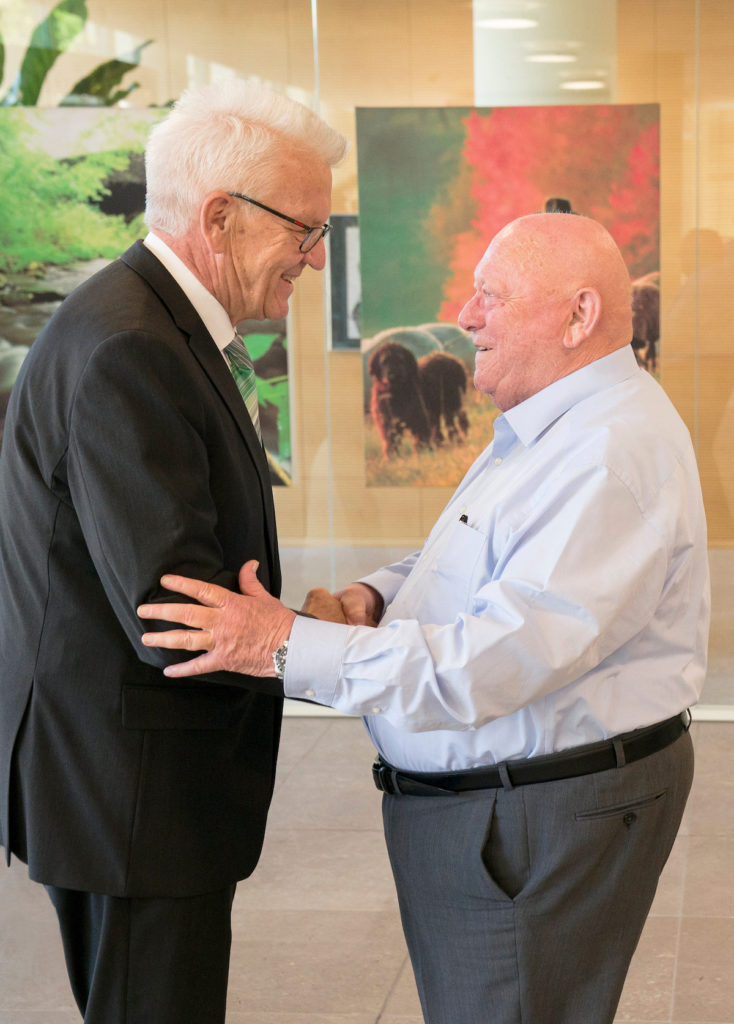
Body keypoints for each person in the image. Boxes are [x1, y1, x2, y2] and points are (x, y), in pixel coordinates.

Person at [138, 213, 710, 1024]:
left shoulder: (608, 452)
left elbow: (485, 666)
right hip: (508, 814)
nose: (467, 317)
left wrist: (280, 644)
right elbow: (482, 556)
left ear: (578, 317)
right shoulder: (557, 423)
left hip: (532, 825)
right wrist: (374, 596)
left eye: (491, 296)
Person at [0, 80, 346, 1024]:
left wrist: (293, 622)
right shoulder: (131, 347)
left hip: (130, 786)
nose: (313, 262)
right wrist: (319, 650)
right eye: (304, 233)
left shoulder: (150, 323)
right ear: (220, 217)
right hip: (133, 801)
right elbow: (177, 619)